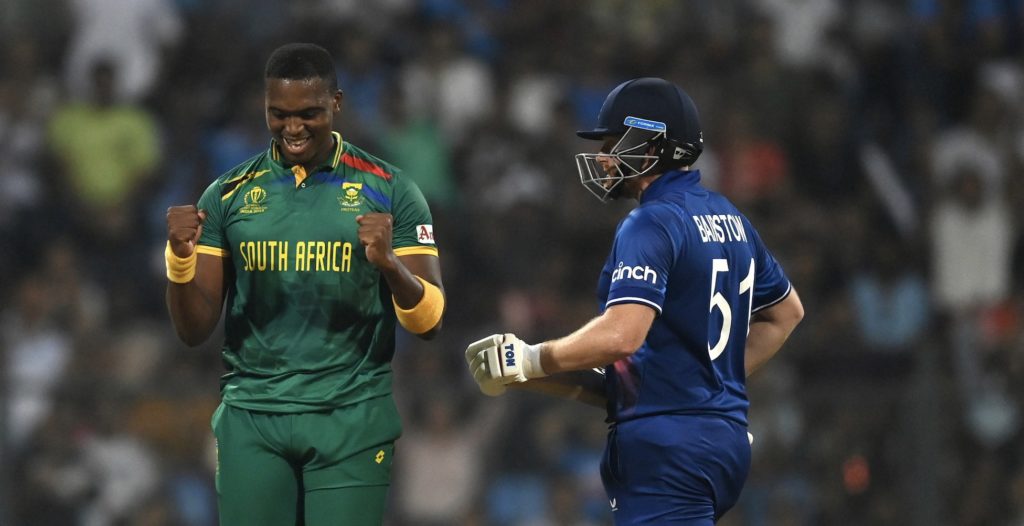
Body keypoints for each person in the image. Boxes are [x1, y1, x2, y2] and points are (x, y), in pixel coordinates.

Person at [465, 77, 804, 524]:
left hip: (667, 447)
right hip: (717, 441)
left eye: (613, 143)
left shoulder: (650, 222)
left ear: (650, 147)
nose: (603, 158)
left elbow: (622, 336)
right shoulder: (731, 218)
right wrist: (526, 372)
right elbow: (786, 314)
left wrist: (534, 356)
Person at [165, 43, 445, 526]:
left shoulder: (391, 189)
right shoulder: (228, 195)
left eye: (309, 113)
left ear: (337, 102)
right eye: (279, 114)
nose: (292, 128)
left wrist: (390, 265)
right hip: (254, 418)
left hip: (351, 417)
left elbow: (430, 322)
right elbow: (194, 330)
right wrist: (181, 261)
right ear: (265, 107)